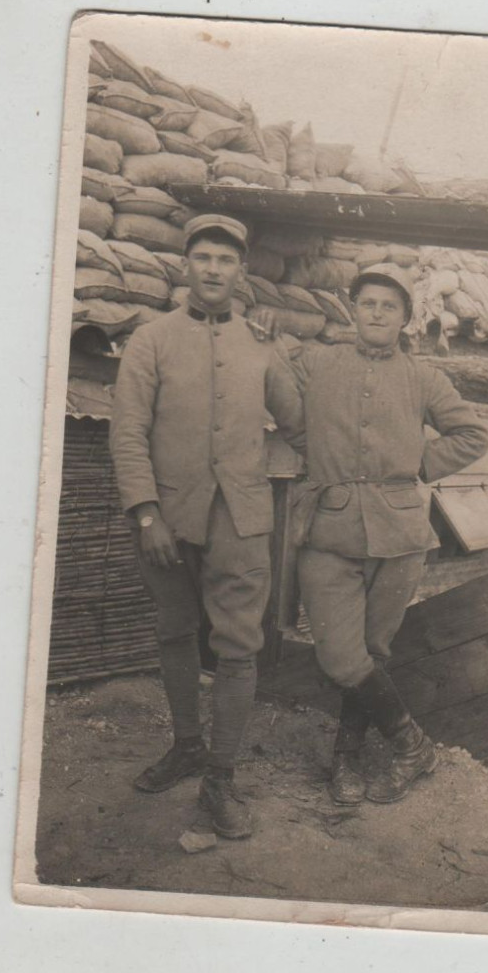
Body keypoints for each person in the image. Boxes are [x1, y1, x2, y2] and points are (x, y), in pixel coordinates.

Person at [109, 214, 305, 840]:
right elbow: (128, 431)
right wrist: (146, 512)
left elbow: (297, 421)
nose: (215, 269)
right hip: (169, 516)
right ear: (186, 267)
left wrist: (280, 348)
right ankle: (187, 744)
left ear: (241, 270)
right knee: (174, 632)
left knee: (238, 647)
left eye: (226, 259)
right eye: (204, 259)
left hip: (243, 519)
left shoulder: (259, 340)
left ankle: (220, 778)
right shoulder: (152, 339)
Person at [293, 262, 488, 806]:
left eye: (389, 306)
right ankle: (414, 747)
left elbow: (473, 433)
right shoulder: (317, 362)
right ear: (352, 310)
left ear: (404, 319)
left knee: (372, 654)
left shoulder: (423, 377)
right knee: (340, 657)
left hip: (400, 536)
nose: (377, 313)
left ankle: (345, 760)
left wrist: (419, 463)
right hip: (327, 531)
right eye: (367, 303)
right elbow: (279, 391)